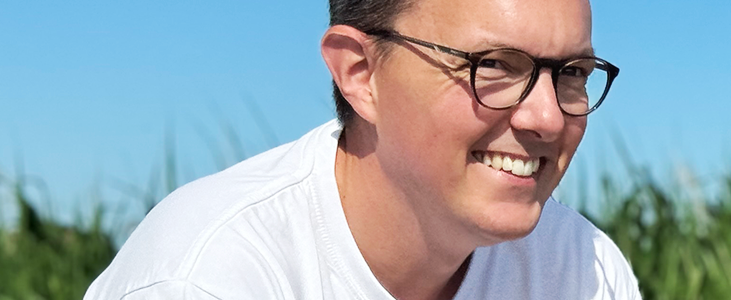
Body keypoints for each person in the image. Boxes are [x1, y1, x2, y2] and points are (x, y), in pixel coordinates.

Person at [85, 0, 640, 298]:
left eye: (573, 72)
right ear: (360, 72)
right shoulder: (210, 279)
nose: (547, 117)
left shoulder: (580, 271)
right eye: (492, 65)